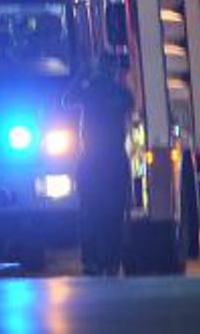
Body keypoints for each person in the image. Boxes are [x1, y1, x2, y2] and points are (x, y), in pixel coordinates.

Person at [68, 53, 135, 275]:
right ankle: (110, 261)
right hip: (113, 160)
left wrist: (82, 75)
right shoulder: (119, 93)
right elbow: (131, 105)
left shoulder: (91, 90)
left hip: (93, 160)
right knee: (112, 214)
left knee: (90, 212)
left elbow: (67, 99)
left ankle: (93, 260)